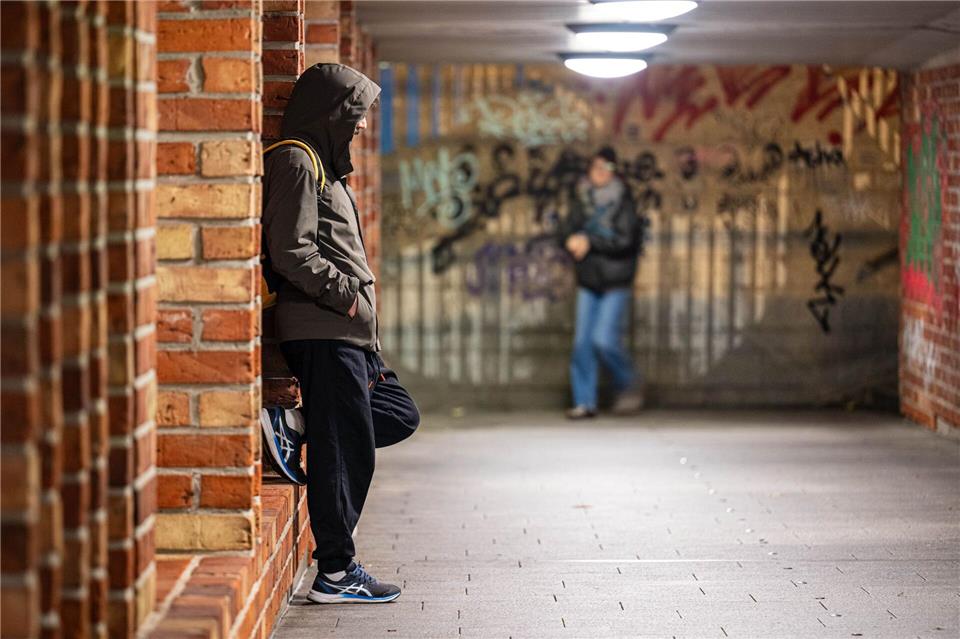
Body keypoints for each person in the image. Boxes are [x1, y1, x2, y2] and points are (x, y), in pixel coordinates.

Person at [259, 63, 420, 604]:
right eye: (355, 117)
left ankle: (298, 423)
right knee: (343, 447)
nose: (361, 129)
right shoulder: (296, 162)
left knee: (395, 413)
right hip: (324, 329)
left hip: (349, 336)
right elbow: (291, 250)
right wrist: (346, 295)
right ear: (330, 113)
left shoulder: (326, 168)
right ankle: (335, 571)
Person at [559, 146, 643, 419]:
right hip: (589, 280)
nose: (600, 173)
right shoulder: (581, 197)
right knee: (582, 343)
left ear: (614, 172)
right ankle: (585, 402)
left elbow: (625, 240)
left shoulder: (623, 200)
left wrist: (589, 241)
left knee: (604, 340)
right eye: (596, 166)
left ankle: (628, 381)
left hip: (615, 280)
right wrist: (569, 238)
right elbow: (566, 228)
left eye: (606, 168)